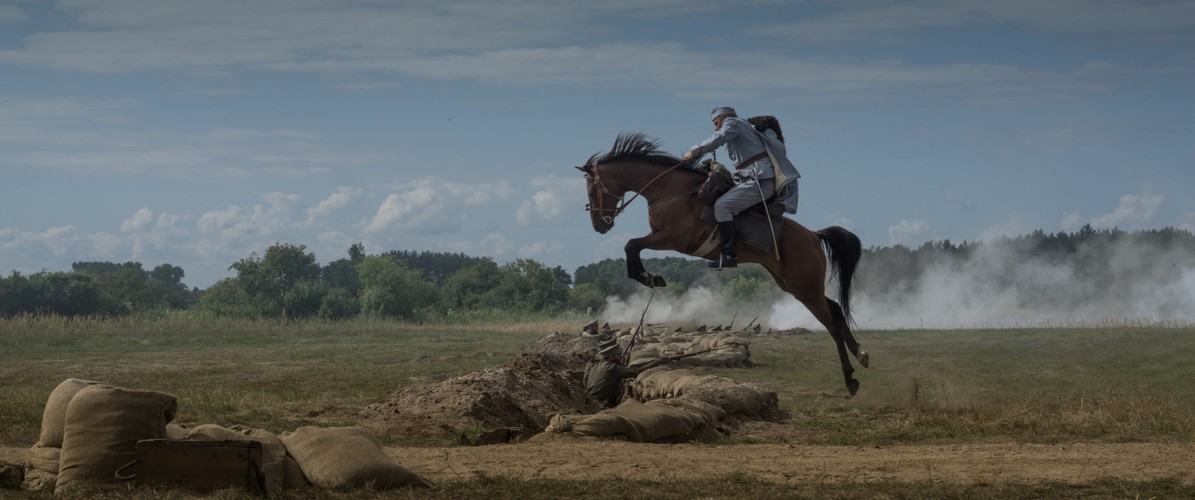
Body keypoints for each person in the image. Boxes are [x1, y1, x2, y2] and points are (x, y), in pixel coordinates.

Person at [682, 106, 800, 269]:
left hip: (759, 179)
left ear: (724, 117)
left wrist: (694, 152)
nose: (716, 126)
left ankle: (729, 255)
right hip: (751, 177)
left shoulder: (733, 123)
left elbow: (719, 137)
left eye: (716, 122)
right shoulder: (740, 125)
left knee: (722, 206)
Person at [584, 340, 672, 408]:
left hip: (590, 400)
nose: (621, 357)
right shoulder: (611, 368)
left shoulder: (597, 365)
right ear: (611, 356)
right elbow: (635, 372)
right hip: (599, 403)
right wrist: (656, 363)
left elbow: (630, 369)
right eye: (618, 355)